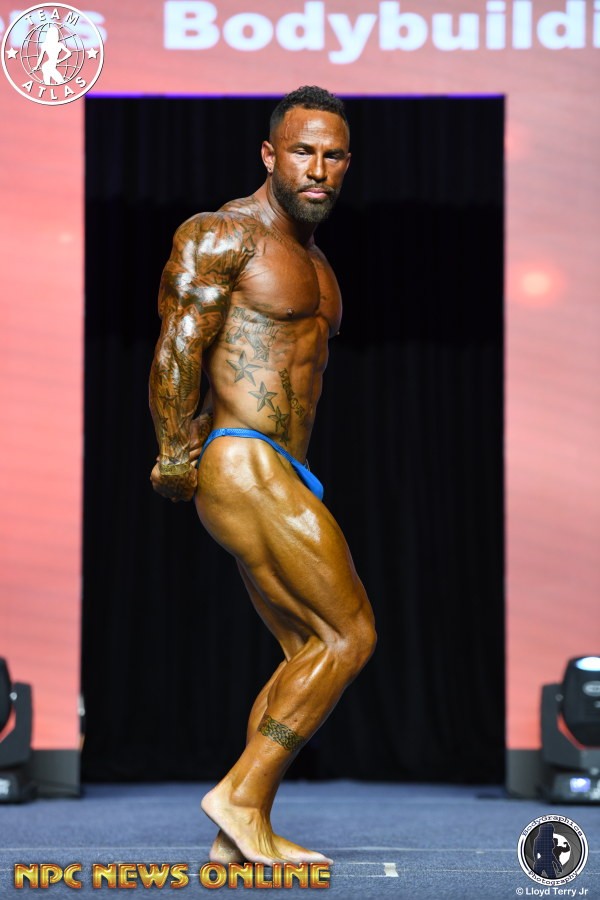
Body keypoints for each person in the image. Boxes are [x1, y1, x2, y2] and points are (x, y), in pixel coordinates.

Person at [149, 86, 376, 866]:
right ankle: (241, 796)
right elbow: (179, 343)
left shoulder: (319, 265)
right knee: (351, 635)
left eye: (333, 155)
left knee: (308, 648)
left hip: (287, 469)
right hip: (239, 455)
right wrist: (174, 450)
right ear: (270, 155)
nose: (318, 168)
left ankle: (239, 834)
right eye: (303, 151)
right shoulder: (223, 235)